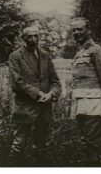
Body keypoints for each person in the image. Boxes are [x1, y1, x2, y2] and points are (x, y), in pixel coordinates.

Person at [8, 26, 61, 156]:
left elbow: (55, 80)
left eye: (36, 36)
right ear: (23, 38)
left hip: (44, 107)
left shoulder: (45, 55)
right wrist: (38, 93)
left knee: (41, 144)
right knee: (19, 144)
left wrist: (51, 94)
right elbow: (17, 83)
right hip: (25, 107)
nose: (33, 39)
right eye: (30, 36)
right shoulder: (15, 56)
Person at [70, 17, 101, 150]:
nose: (76, 32)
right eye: (74, 30)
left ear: (88, 31)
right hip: (80, 101)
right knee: (86, 139)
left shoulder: (96, 50)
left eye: (80, 29)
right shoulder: (79, 52)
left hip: (94, 101)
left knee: (91, 141)